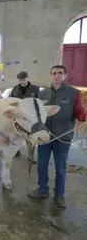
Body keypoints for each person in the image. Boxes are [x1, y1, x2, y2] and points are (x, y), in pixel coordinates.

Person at [28, 65, 87, 208]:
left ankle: (59, 194)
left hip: (62, 137)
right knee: (41, 165)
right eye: (54, 73)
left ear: (65, 75)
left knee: (60, 167)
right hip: (44, 135)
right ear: (51, 75)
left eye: (60, 73)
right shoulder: (43, 93)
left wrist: (84, 116)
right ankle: (43, 190)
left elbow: (79, 113)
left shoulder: (74, 93)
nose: (56, 76)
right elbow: (35, 113)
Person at [9, 71, 40, 157]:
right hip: (18, 114)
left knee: (29, 135)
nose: (21, 81)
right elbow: (10, 99)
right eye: (19, 80)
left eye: (23, 79)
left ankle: (30, 156)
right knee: (17, 133)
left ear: (27, 79)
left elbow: (38, 102)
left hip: (29, 115)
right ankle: (17, 151)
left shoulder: (35, 88)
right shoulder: (15, 88)